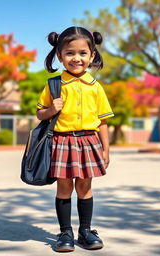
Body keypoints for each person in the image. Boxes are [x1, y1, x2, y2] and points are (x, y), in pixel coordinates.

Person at [36, 26, 114, 252]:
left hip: (89, 142)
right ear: (60, 56)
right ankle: (65, 233)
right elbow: (40, 113)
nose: (76, 58)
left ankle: (86, 231)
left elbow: (103, 122)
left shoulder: (95, 87)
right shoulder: (54, 84)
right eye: (70, 53)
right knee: (63, 187)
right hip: (62, 142)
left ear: (92, 56)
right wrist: (51, 109)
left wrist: (106, 150)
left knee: (84, 187)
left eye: (82, 53)